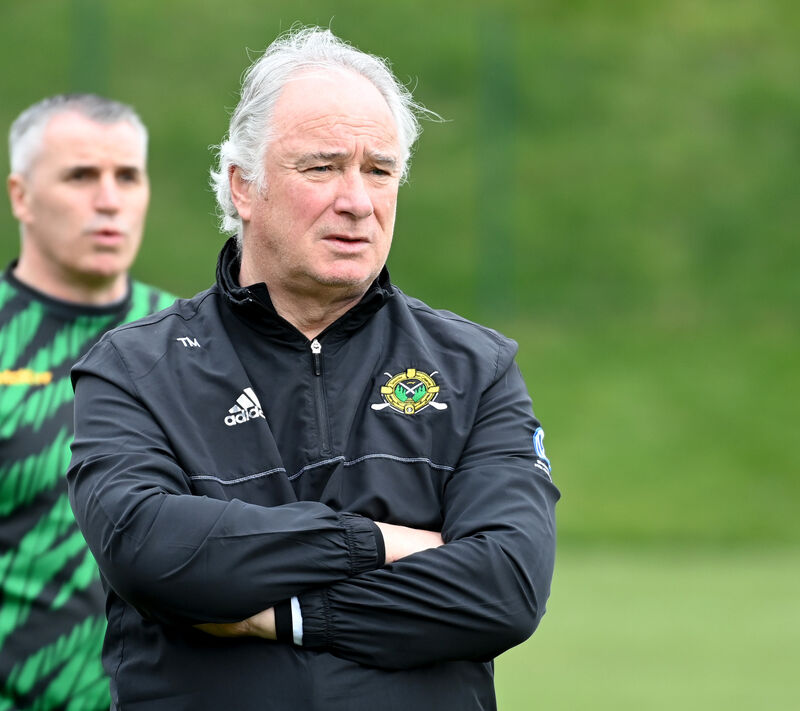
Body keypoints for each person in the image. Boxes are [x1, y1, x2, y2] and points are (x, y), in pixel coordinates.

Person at [67, 28, 559, 711]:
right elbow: (149, 549)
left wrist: (287, 615)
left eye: (379, 170)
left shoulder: (477, 369)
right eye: (323, 167)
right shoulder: (132, 369)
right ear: (244, 186)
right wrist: (378, 541)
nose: (358, 200)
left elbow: (505, 585)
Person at [0, 94, 175, 710]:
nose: (109, 201)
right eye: (81, 176)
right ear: (21, 196)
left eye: (127, 176)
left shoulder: (193, 342)